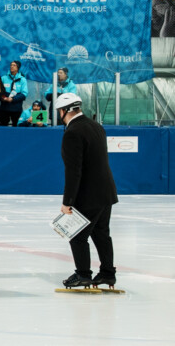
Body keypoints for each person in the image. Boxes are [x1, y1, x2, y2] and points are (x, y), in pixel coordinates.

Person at [55, 93, 118, 289]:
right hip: (106, 192)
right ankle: (107, 274)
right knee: (101, 234)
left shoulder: (72, 132)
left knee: (77, 235)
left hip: (88, 194)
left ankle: (83, 274)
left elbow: (74, 171)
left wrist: (68, 202)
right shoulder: (96, 127)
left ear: (63, 111)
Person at [0, 60, 28, 126]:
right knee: (2, 127)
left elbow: (24, 94)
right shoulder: (3, 78)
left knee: (16, 128)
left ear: (18, 68)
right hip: (4, 108)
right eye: (11, 65)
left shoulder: (22, 80)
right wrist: (3, 98)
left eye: (14, 65)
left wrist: (13, 99)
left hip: (16, 109)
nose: (12, 66)